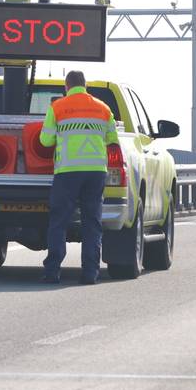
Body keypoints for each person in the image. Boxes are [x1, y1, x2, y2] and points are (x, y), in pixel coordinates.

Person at [39, 70, 119, 285]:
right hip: (95, 172)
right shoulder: (103, 109)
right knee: (92, 222)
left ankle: (53, 271)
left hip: (67, 172)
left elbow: (46, 141)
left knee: (59, 222)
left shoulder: (57, 107)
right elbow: (112, 138)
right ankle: (90, 273)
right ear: (85, 86)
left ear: (67, 86)